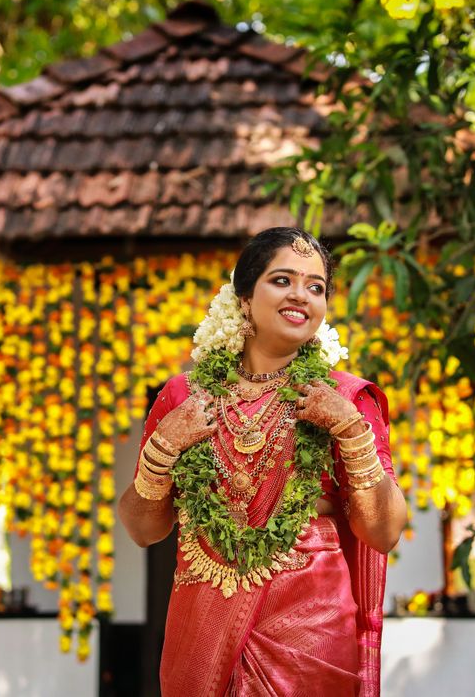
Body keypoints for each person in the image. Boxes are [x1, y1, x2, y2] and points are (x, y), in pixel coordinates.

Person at [118, 227, 409, 697]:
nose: (301, 295)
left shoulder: (343, 398)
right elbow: (142, 528)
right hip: (200, 621)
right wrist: (163, 448)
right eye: (282, 280)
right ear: (245, 298)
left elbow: (385, 531)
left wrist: (350, 430)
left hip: (308, 631)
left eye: (316, 287)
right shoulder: (184, 398)